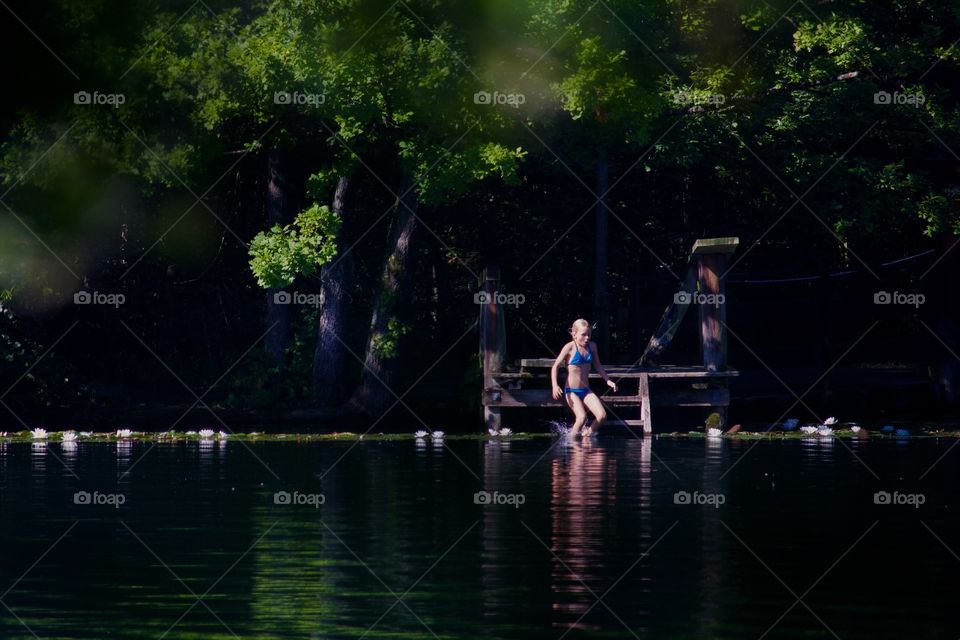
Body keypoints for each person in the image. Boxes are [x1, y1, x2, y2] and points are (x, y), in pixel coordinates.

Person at [551, 319, 617, 437]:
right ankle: (571, 442)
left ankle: (586, 436)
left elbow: (597, 365)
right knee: (581, 418)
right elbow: (555, 366)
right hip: (571, 391)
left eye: (589, 334)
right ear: (574, 334)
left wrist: (608, 380)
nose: (587, 338)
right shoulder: (570, 347)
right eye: (583, 334)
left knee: (602, 416)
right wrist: (555, 386)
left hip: (586, 390)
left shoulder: (592, 347)